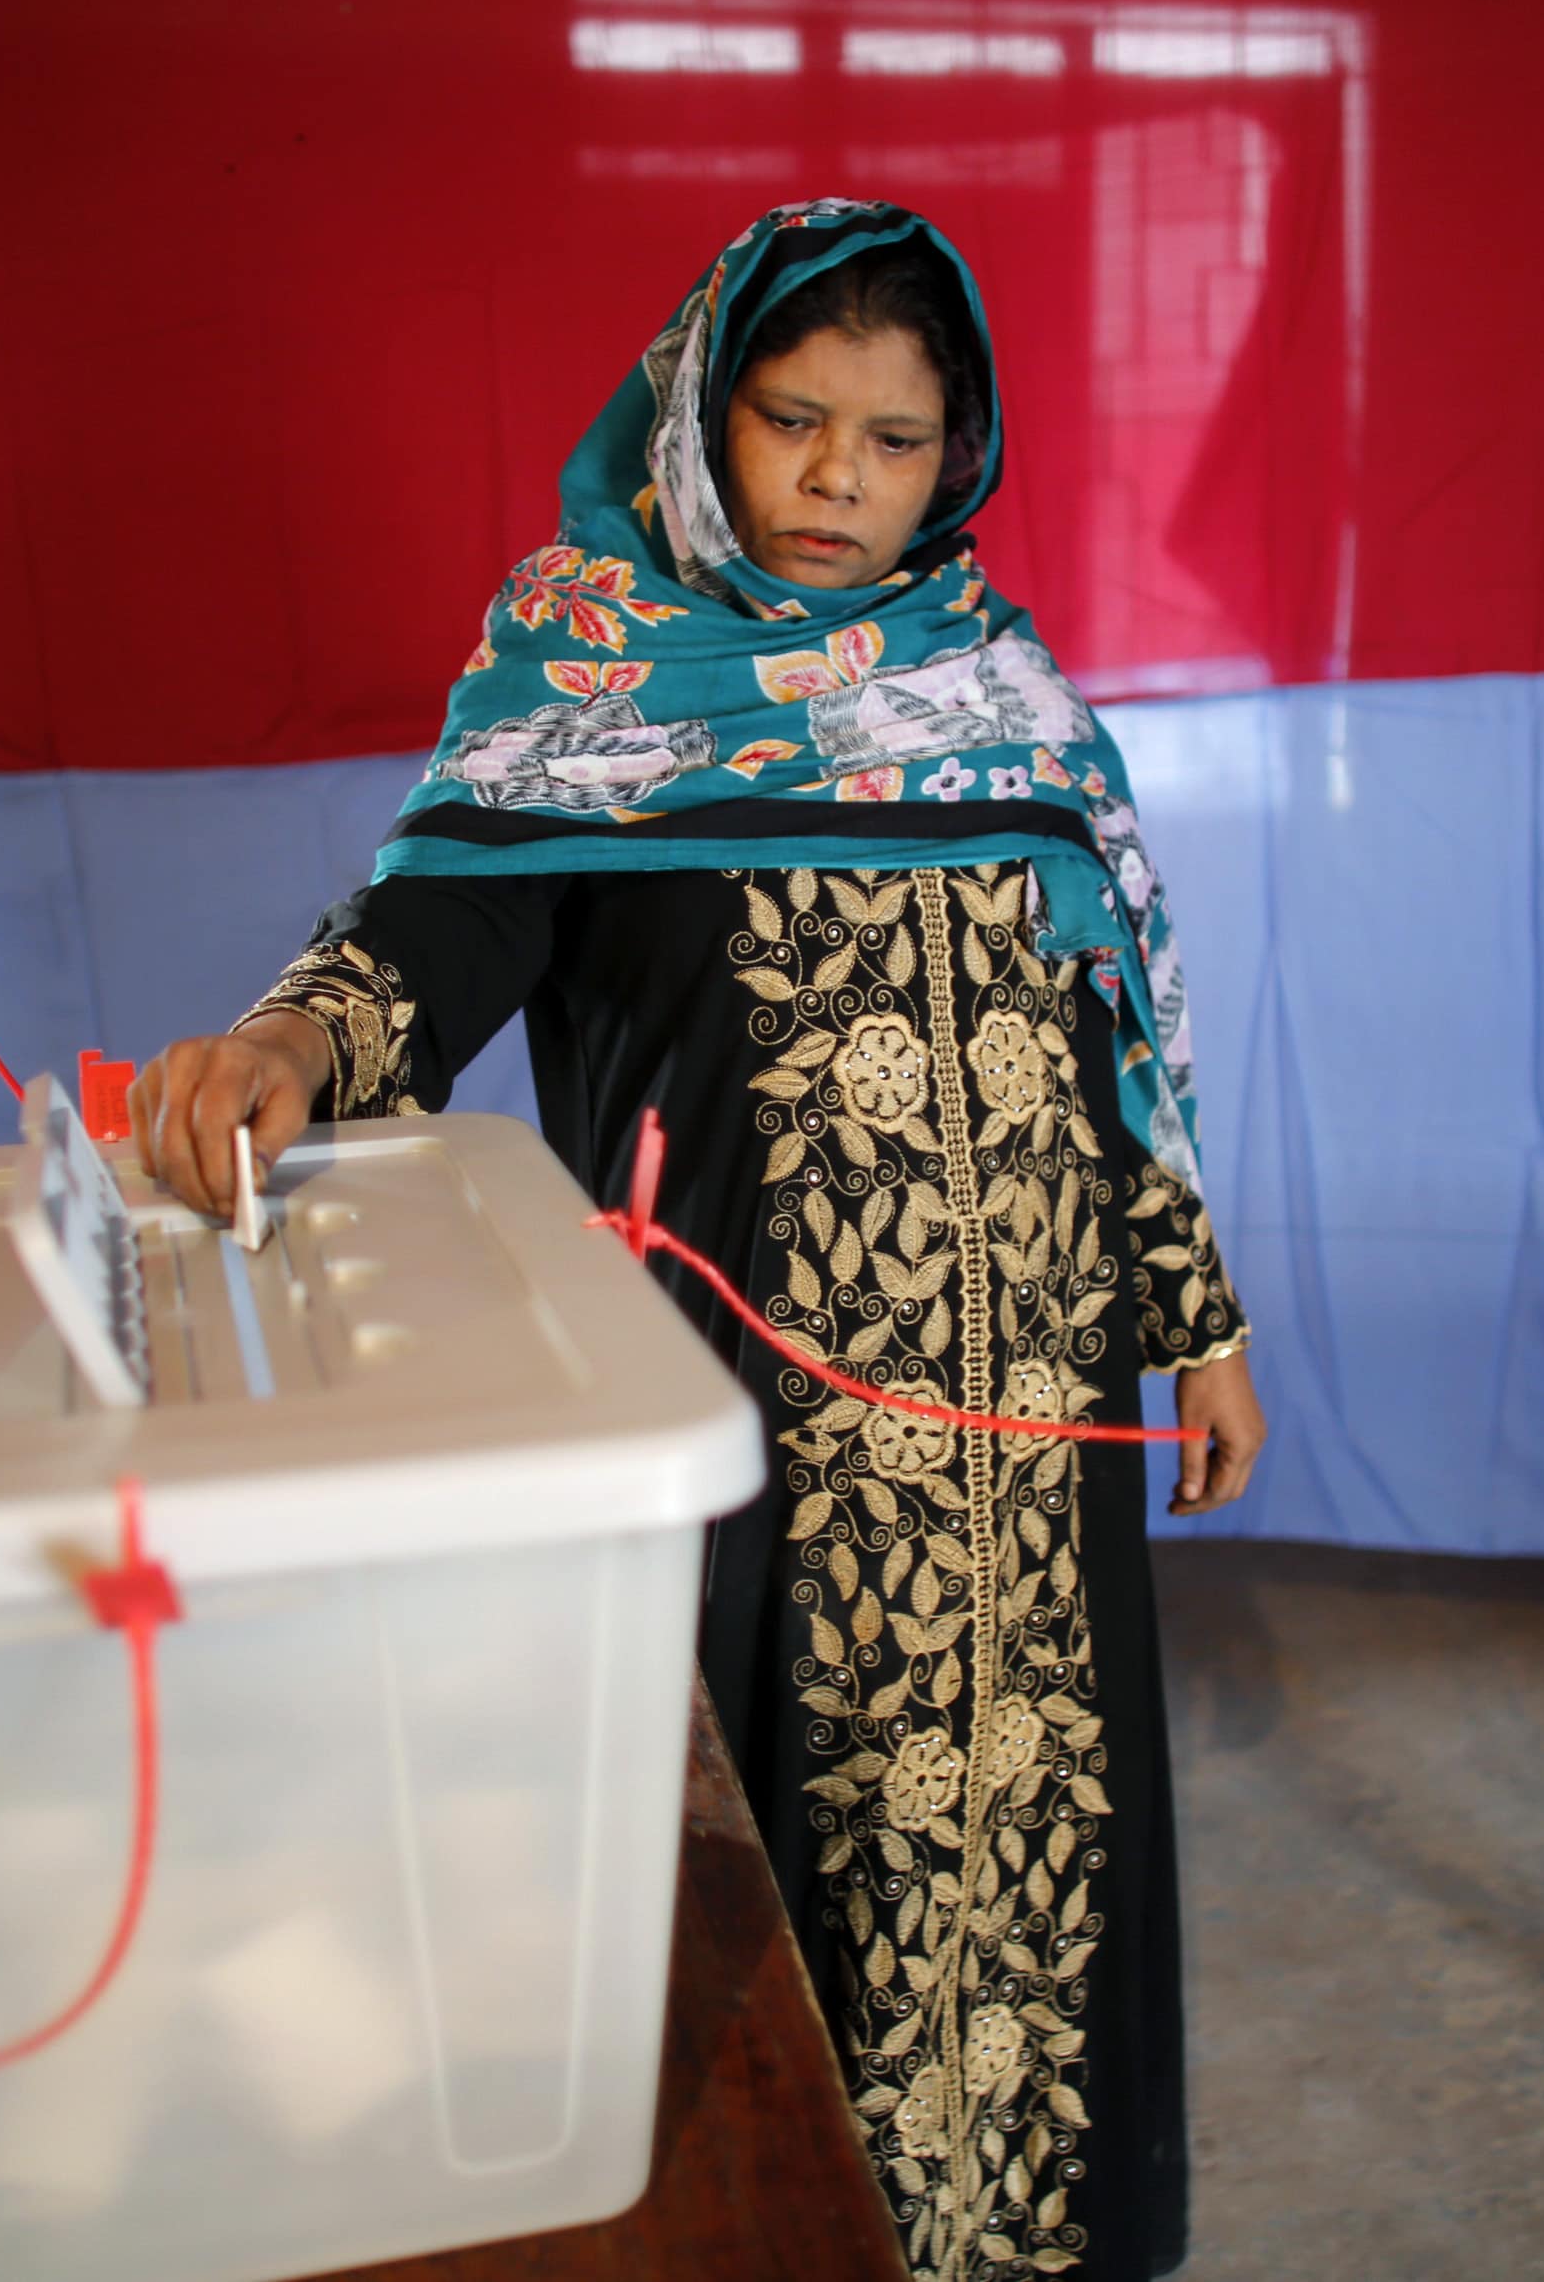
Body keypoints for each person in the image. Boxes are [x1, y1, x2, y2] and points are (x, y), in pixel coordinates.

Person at [132, 199, 1264, 2282]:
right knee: (755, 1895)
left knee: (1027, 1859)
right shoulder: (593, 671)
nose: (840, 478)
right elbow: (446, 915)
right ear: (696, 410)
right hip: (748, 1421)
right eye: (792, 416)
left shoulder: (992, 694)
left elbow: (1109, 1032)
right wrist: (300, 1032)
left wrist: (1197, 1323)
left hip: (1031, 1422)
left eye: (897, 438)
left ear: (963, 456)